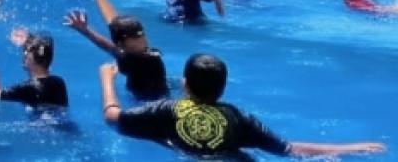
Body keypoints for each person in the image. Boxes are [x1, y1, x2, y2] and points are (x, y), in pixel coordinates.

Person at [102, 54, 386, 158]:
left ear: (185, 83)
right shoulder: (236, 116)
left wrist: (107, 80)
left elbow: (112, 117)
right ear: (223, 88)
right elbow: (289, 150)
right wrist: (347, 148)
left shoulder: (165, 110)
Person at [69, 0, 169, 100]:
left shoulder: (148, 59)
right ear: (121, 44)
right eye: (135, 36)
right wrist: (86, 30)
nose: (142, 39)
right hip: (141, 101)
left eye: (141, 33)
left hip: (154, 102)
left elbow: (114, 28)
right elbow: (112, 32)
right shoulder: (132, 57)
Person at [0, 31, 68, 109]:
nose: (24, 55)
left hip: (44, 127)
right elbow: (40, 52)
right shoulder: (59, 83)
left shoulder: (28, 88)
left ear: (32, 59)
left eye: (26, 52)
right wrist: (28, 40)